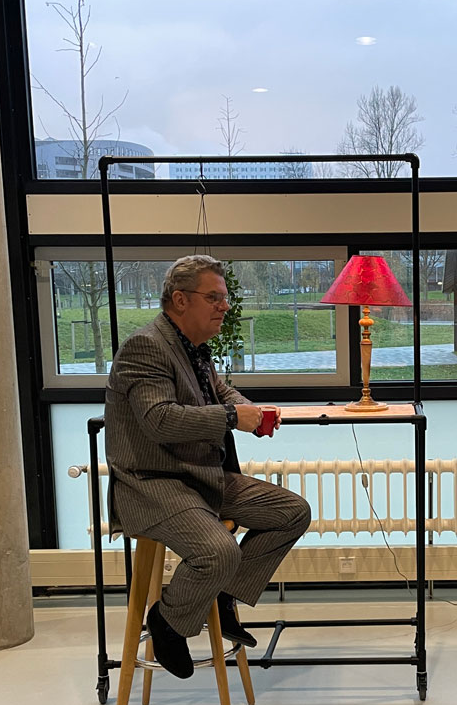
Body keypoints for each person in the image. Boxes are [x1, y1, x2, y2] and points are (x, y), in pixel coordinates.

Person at [105, 255, 311, 680]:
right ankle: (167, 620)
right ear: (180, 300)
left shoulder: (191, 347)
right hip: (153, 482)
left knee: (292, 512)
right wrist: (234, 418)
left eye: (225, 298)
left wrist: (251, 411)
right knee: (218, 552)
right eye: (214, 297)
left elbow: (219, 391)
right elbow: (159, 420)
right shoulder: (145, 347)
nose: (225, 306)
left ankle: (219, 594)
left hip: (199, 476)